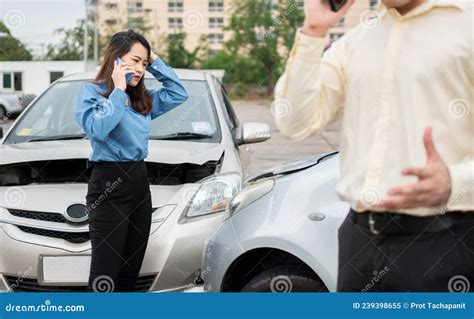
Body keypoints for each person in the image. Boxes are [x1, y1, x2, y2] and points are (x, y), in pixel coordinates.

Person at [274, 0, 473, 291]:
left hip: (448, 241)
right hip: (360, 242)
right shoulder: (358, 39)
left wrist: (456, 182)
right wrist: (314, 31)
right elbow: (295, 123)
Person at [75, 29, 188, 292]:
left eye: (144, 64)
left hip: (139, 183)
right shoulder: (90, 92)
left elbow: (179, 93)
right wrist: (118, 89)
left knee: (129, 273)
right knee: (105, 275)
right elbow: (99, 129)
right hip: (108, 185)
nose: (140, 69)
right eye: (135, 61)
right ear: (115, 59)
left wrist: (155, 60)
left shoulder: (142, 100)